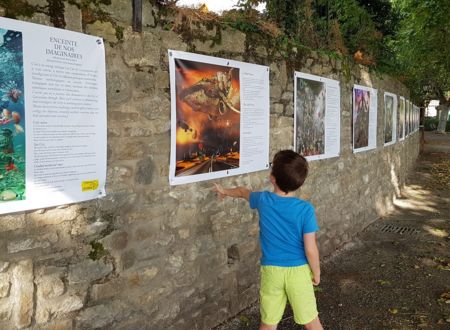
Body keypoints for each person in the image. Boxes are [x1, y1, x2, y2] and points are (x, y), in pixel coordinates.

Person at [213, 150, 323, 330]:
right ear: (299, 182)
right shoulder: (306, 210)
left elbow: (241, 192)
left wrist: (223, 191)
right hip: (298, 272)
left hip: (271, 270)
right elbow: (311, 249)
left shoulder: (263, 200)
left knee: (268, 322)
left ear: (272, 178)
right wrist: (316, 273)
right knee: (312, 322)